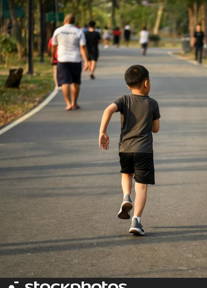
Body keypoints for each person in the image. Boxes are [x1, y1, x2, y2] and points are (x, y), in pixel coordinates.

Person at [98, 65, 160, 236]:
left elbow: (108, 109)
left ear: (128, 85)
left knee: (126, 174)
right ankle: (136, 221)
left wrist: (103, 131)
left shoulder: (123, 100)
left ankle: (126, 196)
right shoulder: (152, 103)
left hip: (125, 149)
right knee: (141, 187)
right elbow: (156, 128)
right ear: (146, 83)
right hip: (144, 151)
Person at [52, 13, 89, 111]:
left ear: (65, 21)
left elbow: (54, 45)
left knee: (65, 82)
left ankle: (68, 103)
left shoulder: (58, 31)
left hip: (62, 59)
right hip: (75, 59)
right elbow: (83, 47)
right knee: (75, 82)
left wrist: (53, 56)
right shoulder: (78, 31)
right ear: (74, 21)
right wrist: (86, 61)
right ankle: (74, 103)